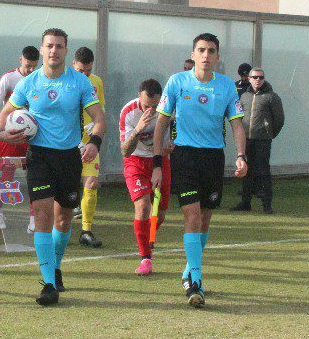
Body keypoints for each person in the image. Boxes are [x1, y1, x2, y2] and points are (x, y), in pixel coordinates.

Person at [0, 27, 106, 306]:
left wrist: (94, 143)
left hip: (69, 157)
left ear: (66, 50)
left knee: (63, 220)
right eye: (49, 45)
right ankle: (48, 283)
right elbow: (4, 115)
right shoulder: (29, 83)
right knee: (43, 217)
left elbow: (100, 119)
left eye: (59, 46)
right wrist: (2, 133)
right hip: (40, 157)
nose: (54, 50)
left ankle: (55, 267)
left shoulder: (80, 82)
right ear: (42, 49)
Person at [152, 33, 247, 308]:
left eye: (211, 51)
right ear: (193, 54)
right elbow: (161, 123)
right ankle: (196, 282)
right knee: (192, 216)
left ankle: (188, 271)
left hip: (213, 158)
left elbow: (237, 124)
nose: (206, 55)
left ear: (218, 57)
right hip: (184, 156)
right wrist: (157, 164)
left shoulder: (227, 86)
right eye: (201, 50)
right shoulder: (177, 82)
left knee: (204, 220)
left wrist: (241, 156)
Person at [120, 79, 173, 275]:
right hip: (136, 162)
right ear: (139, 97)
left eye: (154, 106)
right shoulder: (129, 112)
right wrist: (138, 130)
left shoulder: (168, 109)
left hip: (160, 160)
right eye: (146, 105)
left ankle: (144, 236)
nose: (150, 110)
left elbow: (178, 133)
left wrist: (173, 145)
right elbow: (125, 151)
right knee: (143, 207)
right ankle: (145, 258)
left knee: (159, 215)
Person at [0, 45, 40, 229]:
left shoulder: (39, 79)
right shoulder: (9, 78)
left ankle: (33, 218)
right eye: (28, 65)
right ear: (21, 60)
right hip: (11, 135)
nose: (31, 70)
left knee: (34, 176)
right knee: (7, 175)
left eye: (34, 66)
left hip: (32, 136)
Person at [234, 67, 284, 214]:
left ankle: (267, 204)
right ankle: (246, 202)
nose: (258, 80)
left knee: (263, 171)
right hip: (246, 139)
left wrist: (269, 133)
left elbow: (279, 119)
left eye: (261, 77)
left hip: (262, 140)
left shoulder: (272, 97)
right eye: (255, 77)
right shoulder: (244, 96)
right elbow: (238, 117)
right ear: (249, 79)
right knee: (246, 170)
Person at [72, 46, 105, 247]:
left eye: (88, 71)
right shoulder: (65, 82)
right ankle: (57, 230)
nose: (84, 75)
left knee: (91, 183)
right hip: (67, 144)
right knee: (64, 190)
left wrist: (95, 131)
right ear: (73, 65)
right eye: (80, 71)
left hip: (89, 143)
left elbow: (100, 109)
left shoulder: (96, 82)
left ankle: (86, 231)